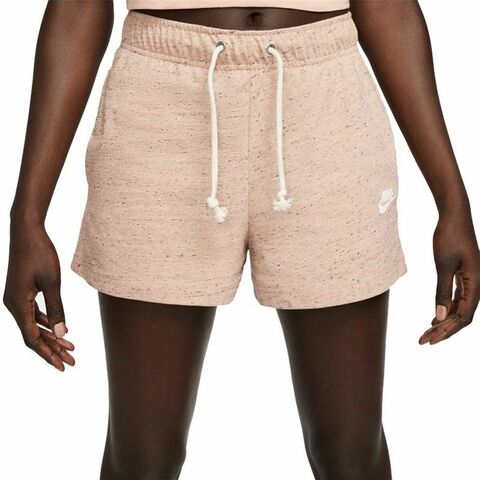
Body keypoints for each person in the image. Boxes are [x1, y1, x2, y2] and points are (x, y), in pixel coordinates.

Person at [4, 1, 480, 479]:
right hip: (159, 110)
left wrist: (452, 201)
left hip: (326, 111)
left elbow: (388, 8)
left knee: (352, 454)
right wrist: (27, 215)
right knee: (142, 460)